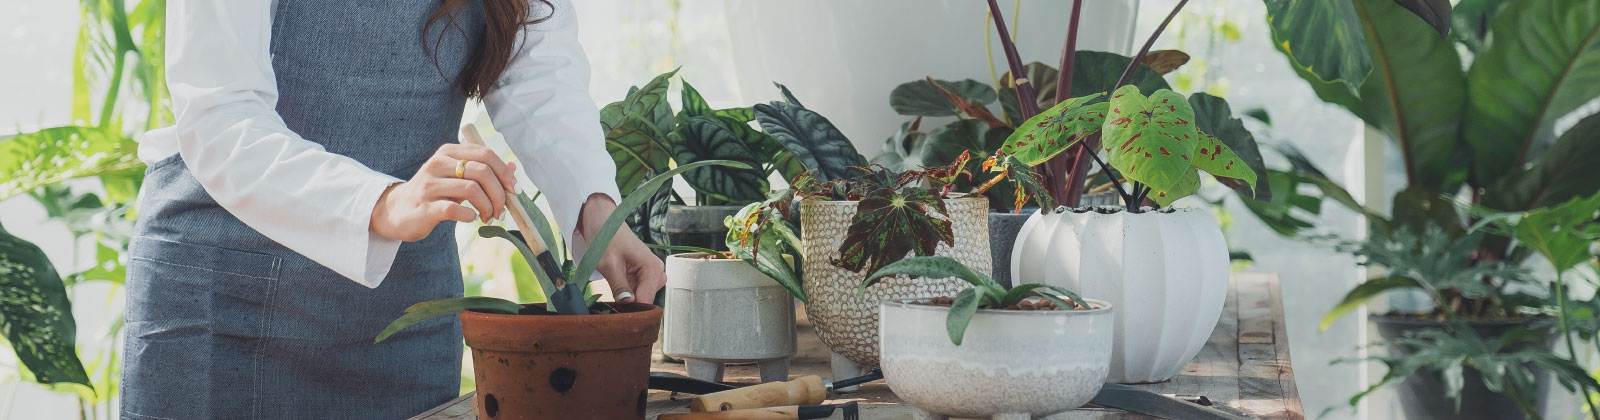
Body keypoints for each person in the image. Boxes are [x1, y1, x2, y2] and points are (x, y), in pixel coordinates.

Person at [122, 0, 664, 418]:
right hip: (224, 303)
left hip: (400, 314)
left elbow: (536, 67)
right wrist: (382, 202)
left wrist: (593, 206)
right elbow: (221, 116)